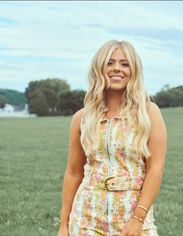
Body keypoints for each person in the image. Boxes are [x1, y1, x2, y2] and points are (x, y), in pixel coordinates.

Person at [57, 40, 167, 236]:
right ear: (99, 68)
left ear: (134, 70)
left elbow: (155, 169)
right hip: (86, 219)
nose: (117, 68)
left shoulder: (149, 113)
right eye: (110, 62)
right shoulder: (81, 118)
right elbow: (73, 173)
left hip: (131, 219)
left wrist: (138, 219)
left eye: (125, 64)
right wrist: (64, 226)